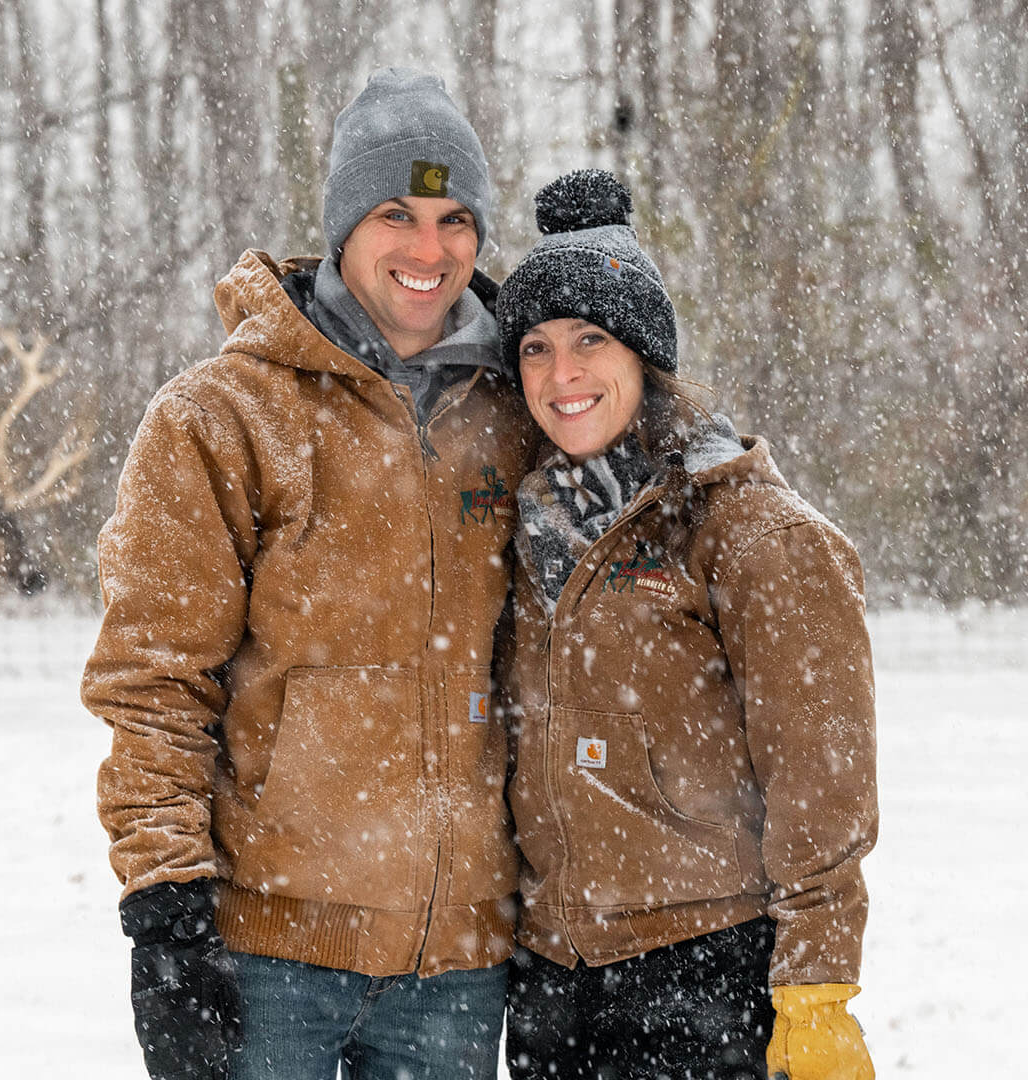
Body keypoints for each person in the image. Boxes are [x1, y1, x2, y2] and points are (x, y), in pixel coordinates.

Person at [83, 69, 535, 1080]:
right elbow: (154, 682)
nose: (431, 250)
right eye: (397, 213)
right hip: (268, 954)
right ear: (342, 226)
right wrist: (163, 911)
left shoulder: (526, 411)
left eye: (456, 218)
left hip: (459, 962)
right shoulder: (221, 418)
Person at [491, 169, 878, 1080]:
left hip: (705, 968)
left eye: (590, 338)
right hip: (551, 980)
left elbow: (821, 771)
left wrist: (816, 983)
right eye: (536, 349)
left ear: (643, 354)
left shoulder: (748, 529)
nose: (562, 373)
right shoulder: (527, 522)